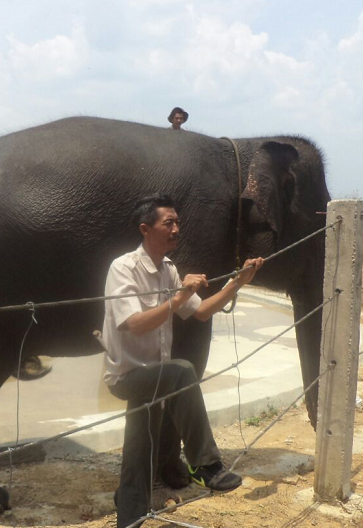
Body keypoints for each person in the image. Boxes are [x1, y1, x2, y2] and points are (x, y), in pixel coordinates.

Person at [100, 193, 263, 528]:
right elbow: (134, 324)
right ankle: (205, 464)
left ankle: (129, 512)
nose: (176, 229)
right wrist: (179, 297)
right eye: (168, 223)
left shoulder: (168, 269)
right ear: (146, 229)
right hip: (128, 375)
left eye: (178, 222)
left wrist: (237, 282)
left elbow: (201, 312)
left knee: (140, 439)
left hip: (153, 376)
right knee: (182, 371)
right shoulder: (123, 269)